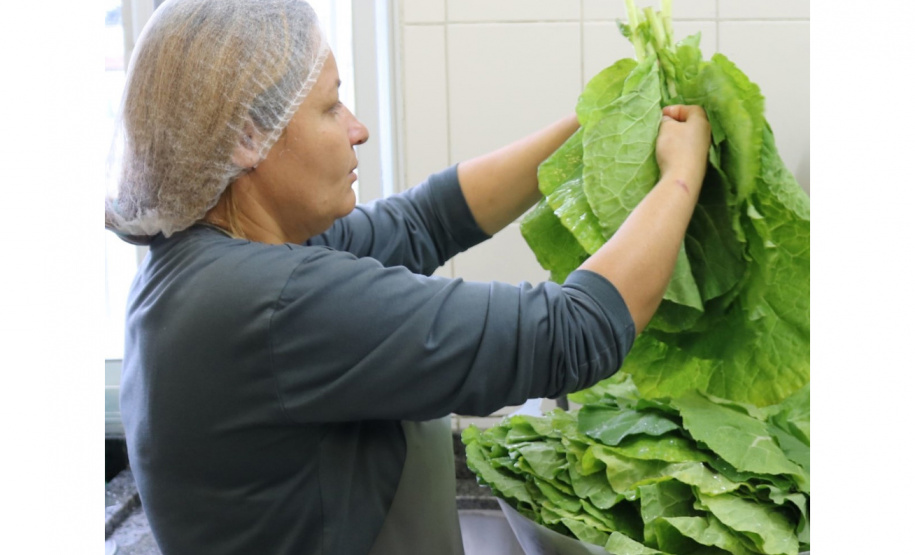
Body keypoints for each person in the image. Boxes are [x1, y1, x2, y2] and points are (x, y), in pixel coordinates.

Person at [104, 0, 711, 553]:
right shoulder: (270, 304)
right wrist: (682, 176)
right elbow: (574, 332)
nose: (356, 128)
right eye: (329, 106)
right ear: (247, 137)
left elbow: (425, 222)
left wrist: (600, 124)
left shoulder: (208, 261)